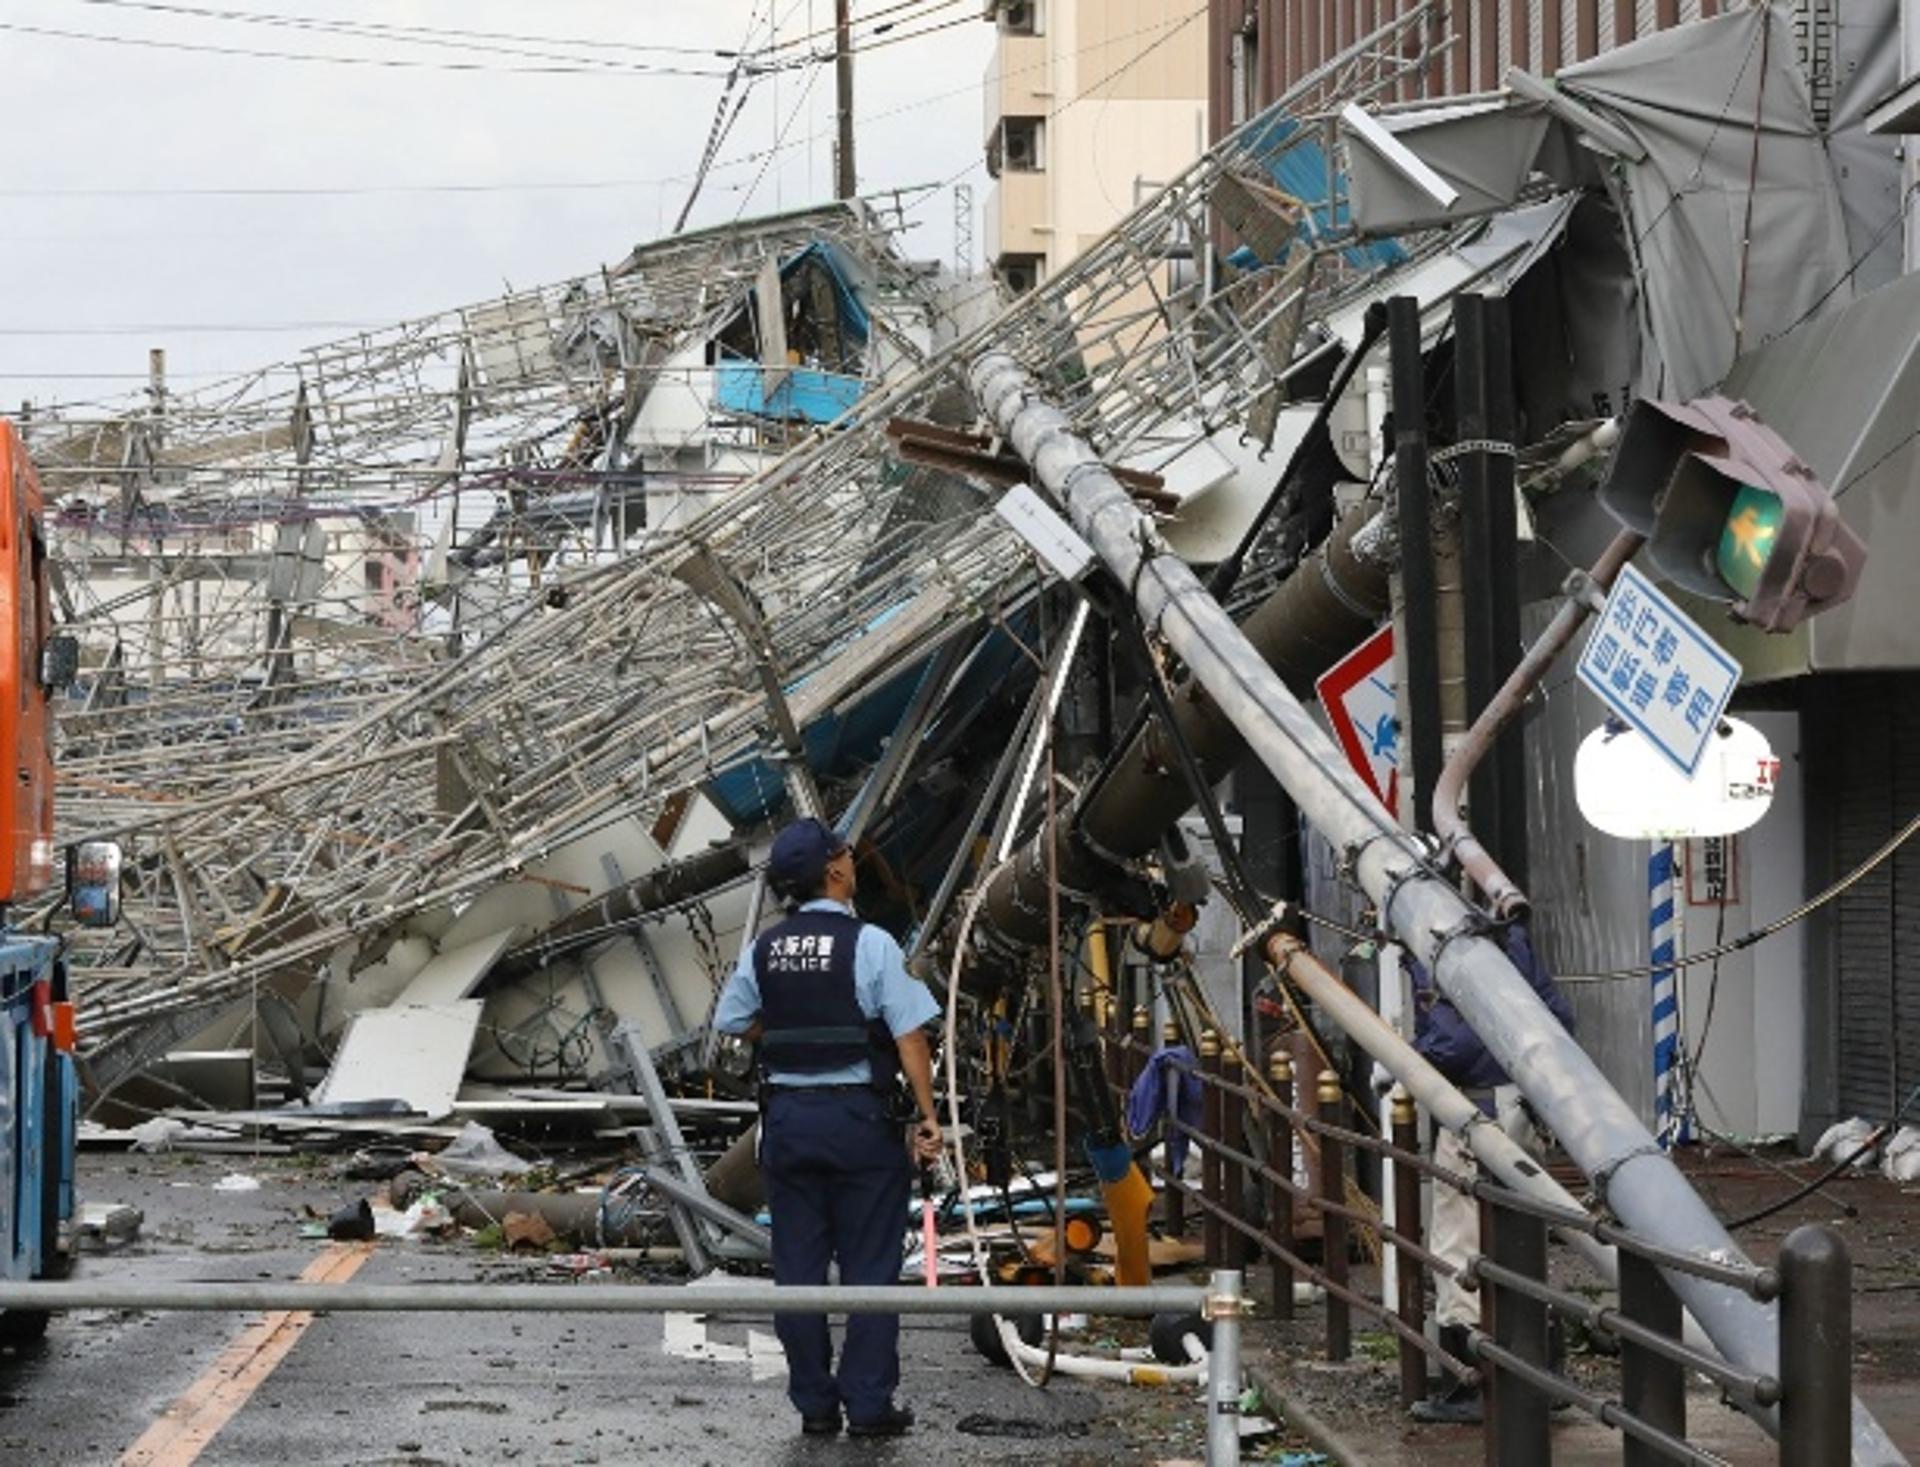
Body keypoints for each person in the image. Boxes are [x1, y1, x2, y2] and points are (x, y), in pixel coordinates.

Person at [713, 817, 943, 1439]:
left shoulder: (766, 948)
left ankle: (815, 1406)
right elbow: (910, 1036)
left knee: (798, 1270)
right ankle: (868, 1406)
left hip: (787, 1124)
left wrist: (785, 1032)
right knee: (870, 1267)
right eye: (845, 854)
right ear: (836, 870)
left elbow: (732, 1018)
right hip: (859, 1122)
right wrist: (927, 1117)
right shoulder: (872, 944)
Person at [1408, 920, 1574, 1426]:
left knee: (1460, 1246)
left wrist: (1409, 1056)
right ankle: (1543, 1370)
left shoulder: (1436, 948)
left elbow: (1453, 1043)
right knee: (1518, 1238)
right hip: (1524, 1102)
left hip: (1475, 1114)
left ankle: (1476, 1383)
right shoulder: (1512, 940)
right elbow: (1559, 1016)